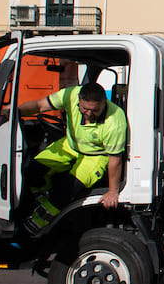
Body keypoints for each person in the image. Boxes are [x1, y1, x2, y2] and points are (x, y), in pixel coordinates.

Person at [17, 82, 128, 234]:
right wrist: (14, 112)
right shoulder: (69, 95)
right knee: (32, 170)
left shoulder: (115, 120)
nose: (88, 114)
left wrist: (113, 191)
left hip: (96, 155)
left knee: (67, 188)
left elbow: (115, 159)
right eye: (84, 109)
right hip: (71, 144)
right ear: (78, 100)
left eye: (95, 110)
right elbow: (40, 105)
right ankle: (41, 200)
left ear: (104, 103)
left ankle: (34, 227)